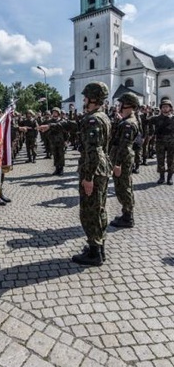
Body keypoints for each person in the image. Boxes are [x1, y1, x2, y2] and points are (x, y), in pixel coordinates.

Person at [71, 82, 111, 266]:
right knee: (99, 208)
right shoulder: (103, 116)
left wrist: (88, 178)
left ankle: (95, 253)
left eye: (86, 97)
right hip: (102, 168)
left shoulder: (92, 120)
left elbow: (93, 151)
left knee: (90, 211)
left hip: (94, 170)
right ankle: (98, 246)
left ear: (93, 99)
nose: (84, 100)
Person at [109, 93, 140, 228]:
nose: (119, 106)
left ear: (127, 105)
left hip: (123, 160)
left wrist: (118, 164)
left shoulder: (128, 124)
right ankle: (126, 214)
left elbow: (124, 147)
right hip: (121, 159)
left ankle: (128, 217)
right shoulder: (126, 120)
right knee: (123, 186)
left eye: (121, 104)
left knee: (124, 188)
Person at [148, 99, 174, 185]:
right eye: (163, 107)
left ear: (170, 108)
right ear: (161, 108)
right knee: (160, 160)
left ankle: (169, 178)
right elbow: (146, 121)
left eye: (167, 107)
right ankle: (161, 177)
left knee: (171, 160)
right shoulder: (156, 118)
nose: (165, 108)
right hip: (160, 142)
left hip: (171, 143)